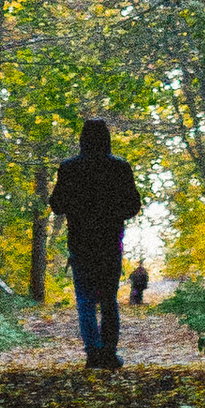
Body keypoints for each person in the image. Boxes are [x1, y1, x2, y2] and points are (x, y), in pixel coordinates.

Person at [48, 117, 142, 369]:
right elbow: (133, 206)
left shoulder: (69, 168)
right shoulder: (120, 167)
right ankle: (109, 353)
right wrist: (112, 213)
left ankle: (93, 353)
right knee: (109, 299)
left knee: (86, 299)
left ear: (82, 139)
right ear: (107, 138)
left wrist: (78, 209)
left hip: (80, 242)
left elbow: (56, 205)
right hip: (110, 241)